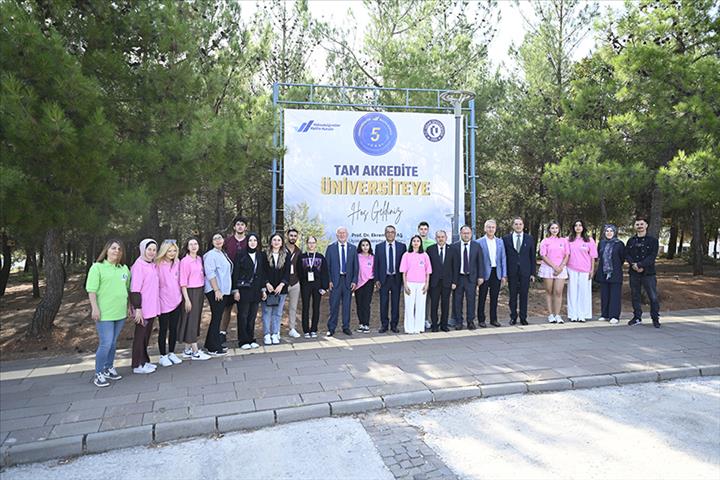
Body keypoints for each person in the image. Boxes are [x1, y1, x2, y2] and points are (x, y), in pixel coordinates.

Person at [86, 239, 130, 387]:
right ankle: (98, 373)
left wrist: (129, 306)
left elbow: (127, 288)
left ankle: (108, 368)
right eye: (113, 248)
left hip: (120, 313)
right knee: (105, 343)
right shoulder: (97, 267)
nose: (116, 251)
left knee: (112, 342)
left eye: (119, 249)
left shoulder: (124, 269)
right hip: (104, 313)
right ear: (106, 250)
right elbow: (91, 290)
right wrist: (95, 308)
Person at [130, 239, 160, 374]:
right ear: (143, 249)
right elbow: (135, 289)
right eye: (149, 249)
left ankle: (144, 360)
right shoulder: (138, 266)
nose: (152, 252)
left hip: (151, 307)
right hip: (142, 308)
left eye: (154, 250)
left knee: (146, 336)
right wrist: (138, 308)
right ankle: (137, 364)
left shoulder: (152, 265)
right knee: (140, 336)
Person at [232, 233, 266, 349]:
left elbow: (262, 273)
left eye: (255, 240)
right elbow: (235, 273)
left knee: (252, 316)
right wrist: (235, 290)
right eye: (250, 240)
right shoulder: (240, 254)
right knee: (243, 315)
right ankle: (243, 340)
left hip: (256, 290)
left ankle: (251, 338)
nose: (252, 242)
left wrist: (263, 290)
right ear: (247, 242)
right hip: (243, 290)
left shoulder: (260, 255)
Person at [178, 237, 210, 360]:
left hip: (199, 291)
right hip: (190, 292)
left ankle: (187, 349)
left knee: (194, 319)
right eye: (191, 244)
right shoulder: (185, 261)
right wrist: (187, 299)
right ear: (187, 247)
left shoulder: (199, 259)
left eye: (195, 243)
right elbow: (183, 282)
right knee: (191, 320)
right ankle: (195, 351)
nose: (193, 246)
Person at [626, 217, 661, 328]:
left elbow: (652, 256)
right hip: (634, 273)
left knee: (653, 297)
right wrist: (634, 265)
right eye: (637, 224)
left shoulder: (653, 241)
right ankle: (637, 317)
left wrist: (640, 265)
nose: (639, 226)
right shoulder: (631, 241)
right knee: (635, 296)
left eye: (642, 224)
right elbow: (627, 254)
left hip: (648, 273)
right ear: (634, 226)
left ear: (646, 225)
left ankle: (655, 318)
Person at [325, 226, 359, 336]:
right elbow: (327, 267)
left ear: (347, 235)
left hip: (348, 281)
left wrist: (354, 281)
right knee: (333, 305)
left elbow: (356, 267)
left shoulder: (353, 248)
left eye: (343, 233)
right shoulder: (331, 248)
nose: (342, 235)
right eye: (339, 233)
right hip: (335, 281)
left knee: (347, 306)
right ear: (336, 235)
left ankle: (346, 327)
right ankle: (331, 328)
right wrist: (329, 280)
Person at [502, 217, 536, 325]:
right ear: (513, 226)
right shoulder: (506, 239)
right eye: (516, 224)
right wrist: (504, 273)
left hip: (525, 271)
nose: (518, 226)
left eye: (520, 224)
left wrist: (533, 273)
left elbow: (532, 256)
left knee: (524, 295)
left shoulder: (529, 238)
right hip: (512, 271)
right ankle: (513, 317)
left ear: (523, 225)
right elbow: (504, 256)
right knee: (512, 296)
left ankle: (523, 317)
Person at [203, 233, 233, 356]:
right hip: (215, 291)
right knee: (216, 318)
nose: (218, 240)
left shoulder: (222, 253)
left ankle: (210, 343)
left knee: (217, 317)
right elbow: (210, 273)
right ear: (211, 241)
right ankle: (213, 348)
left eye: (220, 238)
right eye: (215, 238)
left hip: (223, 291)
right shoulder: (211, 255)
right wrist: (216, 290)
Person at [221, 215, 248, 347]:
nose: (240, 226)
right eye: (238, 224)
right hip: (228, 279)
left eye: (242, 224)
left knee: (243, 311)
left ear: (246, 227)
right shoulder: (227, 241)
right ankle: (222, 333)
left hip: (244, 281)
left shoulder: (249, 241)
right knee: (226, 308)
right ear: (234, 227)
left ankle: (243, 337)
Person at [373, 225, 406, 333]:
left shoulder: (402, 246)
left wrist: (404, 280)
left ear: (395, 234)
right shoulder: (379, 247)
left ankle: (394, 325)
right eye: (388, 232)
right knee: (383, 303)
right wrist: (376, 280)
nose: (390, 234)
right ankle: (384, 325)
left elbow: (404, 264)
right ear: (385, 234)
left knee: (395, 303)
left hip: (396, 279)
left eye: (392, 232)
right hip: (384, 279)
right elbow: (376, 264)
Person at [451, 225, 484, 330]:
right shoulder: (454, 246)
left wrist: (480, 276)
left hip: (471, 278)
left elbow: (480, 262)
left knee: (471, 300)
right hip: (458, 278)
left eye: (468, 233)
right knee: (457, 301)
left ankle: (470, 321)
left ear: (471, 234)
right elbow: (451, 264)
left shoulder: (476, 246)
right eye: (464, 233)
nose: (466, 235)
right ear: (460, 234)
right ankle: (459, 322)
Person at [156, 240, 183, 367]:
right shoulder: (158, 264)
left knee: (173, 328)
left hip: (176, 300)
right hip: (163, 301)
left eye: (174, 250)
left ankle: (172, 352)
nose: (172, 253)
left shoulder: (177, 263)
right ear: (164, 251)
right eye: (169, 251)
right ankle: (163, 355)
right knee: (163, 329)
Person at [476, 219, 507, 328]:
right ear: (485, 228)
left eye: (493, 227)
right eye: (489, 227)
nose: (491, 229)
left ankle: (494, 319)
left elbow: (503, 258)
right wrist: (478, 275)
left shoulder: (500, 242)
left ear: (495, 229)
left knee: (494, 298)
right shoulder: (479, 242)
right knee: (482, 297)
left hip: (496, 272)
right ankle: (481, 320)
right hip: (484, 273)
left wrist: (504, 274)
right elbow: (477, 260)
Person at [566, 220, 598, 323]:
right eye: (576, 225)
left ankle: (582, 314)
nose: (578, 227)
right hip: (571, 269)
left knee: (584, 293)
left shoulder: (589, 240)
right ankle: (573, 315)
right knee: (572, 292)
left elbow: (593, 257)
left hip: (585, 270)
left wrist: (592, 270)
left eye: (580, 225)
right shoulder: (568, 240)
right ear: (573, 227)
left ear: (583, 227)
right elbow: (565, 255)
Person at [539, 221, 570, 324]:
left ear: (559, 229)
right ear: (549, 229)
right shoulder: (545, 241)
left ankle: (557, 315)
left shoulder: (564, 240)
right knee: (549, 291)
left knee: (558, 292)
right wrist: (554, 267)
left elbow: (567, 255)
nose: (554, 230)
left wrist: (560, 267)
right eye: (552, 228)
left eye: (556, 228)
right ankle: (550, 314)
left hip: (561, 268)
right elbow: (543, 255)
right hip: (548, 268)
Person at [400, 235, 432, 334]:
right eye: (414, 241)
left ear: (420, 243)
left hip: (422, 284)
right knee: (409, 306)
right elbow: (403, 272)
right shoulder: (406, 255)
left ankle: (419, 327)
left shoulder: (425, 255)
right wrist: (405, 285)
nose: (416, 243)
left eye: (418, 241)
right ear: (411, 243)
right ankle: (409, 328)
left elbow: (428, 272)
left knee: (420, 306)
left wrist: (427, 284)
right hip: (409, 283)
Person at [299, 236, 329, 338]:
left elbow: (325, 273)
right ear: (307, 244)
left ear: (316, 244)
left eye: (313, 242)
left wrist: (324, 287)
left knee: (316, 307)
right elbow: (299, 272)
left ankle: (314, 329)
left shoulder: (321, 257)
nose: (311, 245)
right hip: (305, 285)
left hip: (317, 285)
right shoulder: (302, 257)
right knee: (305, 307)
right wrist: (301, 283)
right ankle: (306, 330)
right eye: (309, 242)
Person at [263, 233, 290, 344]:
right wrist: (266, 283)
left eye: (279, 240)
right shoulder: (264, 255)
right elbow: (262, 271)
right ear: (271, 241)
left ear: (282, 242)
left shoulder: (286, 255)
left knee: (277, 313)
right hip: (267, 289)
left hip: (281, 289)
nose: (276, 242)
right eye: (274, 240)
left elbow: (287, 272)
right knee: (267, 312)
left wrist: (282, 284)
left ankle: (275, 333)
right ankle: (266, 334)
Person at [426, 230, 456, 332]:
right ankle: (434, 325)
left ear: (446, 238)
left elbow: (455, 267)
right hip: (434, 282)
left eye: (442, 237)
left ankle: (444, 325)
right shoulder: (430, 249)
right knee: (434, 305)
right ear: (435, 238)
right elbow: (427, 267)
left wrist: (454, 282)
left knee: (445, 304)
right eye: (438, 237)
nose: (441, 239)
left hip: (447, 282)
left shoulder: (452, 250)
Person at [595, 224, 625, 325]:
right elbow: (599, 256)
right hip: (603, 273)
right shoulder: (602, 243)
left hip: (615, 272)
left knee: (615, 295)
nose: (609, 233)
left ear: (614, 232)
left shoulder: (619, 244)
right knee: (604, 294)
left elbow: (622, 258)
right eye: (607, 231)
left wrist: (613, 267)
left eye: (611, 231)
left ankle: (614, 316)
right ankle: (605, 314)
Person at [284, 228, 302, 338]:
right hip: (282, 283)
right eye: (291, 235)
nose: (293, 238)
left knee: (293, 307)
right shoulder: (281, 249)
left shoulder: (299, 251)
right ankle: (275, 331)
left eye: (295, 236)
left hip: (295, 282)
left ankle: (292, 328)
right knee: (278, 308)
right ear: (287, 236)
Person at [418, 221, 435, 330]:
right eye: (421, 229)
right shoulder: (414, 242)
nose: (423, 231)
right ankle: (417, 319)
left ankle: (425, 319)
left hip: (428, 275)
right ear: (418, 230)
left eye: (425, 229)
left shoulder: (432, 243)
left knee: (427, 299)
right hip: (415, 276)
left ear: (428, 230)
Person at [355, 238, 375, 333]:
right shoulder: (357, 257)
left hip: (369, 283)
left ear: (369, 246)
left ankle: (366, 324)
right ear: (360, 247)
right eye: (363, 245)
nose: (365, 247)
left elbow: (375, 270)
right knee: (359, 304)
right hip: (358, 283)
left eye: (367, 245)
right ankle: (361, 324)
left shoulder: (373, 257)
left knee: (366, 304)